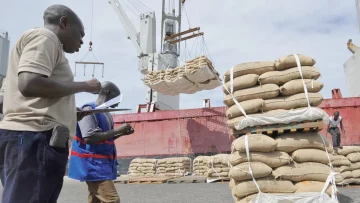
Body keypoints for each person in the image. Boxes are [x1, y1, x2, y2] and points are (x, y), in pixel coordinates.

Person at [0, 4, 102, 203]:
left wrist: (69, 112)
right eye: (80, 34)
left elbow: (6, 100)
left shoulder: (25, 52)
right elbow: (29, 84)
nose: (81, 41)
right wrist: (84, 86)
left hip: (20, 138)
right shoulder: (46, 38)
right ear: (64, 22)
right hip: (35, 138)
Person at [68, 81, 134, 203]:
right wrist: (117, 130)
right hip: (92, 163)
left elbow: (103, 139)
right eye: (117, 97)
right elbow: (89, 137)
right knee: (112, 200)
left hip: (100, 162)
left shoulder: (106, 114)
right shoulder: (89, 110)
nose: (119, 101)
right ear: (108, 93)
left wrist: (120, 133)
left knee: (95, 200)